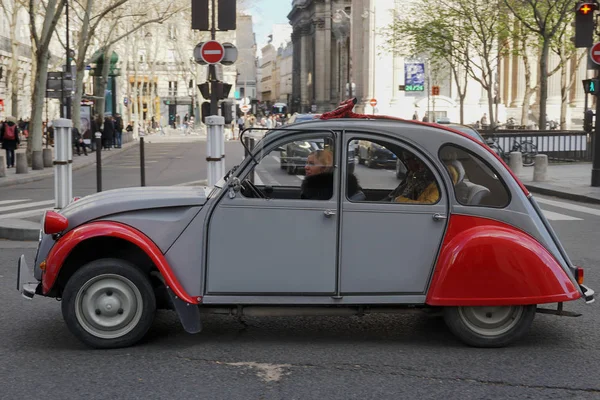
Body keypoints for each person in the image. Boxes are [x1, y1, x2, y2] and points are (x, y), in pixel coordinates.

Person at [391, 151, 458, 204]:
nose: (418, 162)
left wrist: (400, 200)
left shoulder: (441, 179)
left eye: (419, 159)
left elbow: (428, 205)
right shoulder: (419, 176)